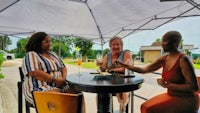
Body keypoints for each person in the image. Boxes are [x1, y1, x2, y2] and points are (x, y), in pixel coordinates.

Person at [116, 31, 199, 113]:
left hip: (187, 100)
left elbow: (194, 87)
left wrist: (169, 85)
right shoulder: (164, 58)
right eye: (162, 41)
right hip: (171, 95)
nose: (162, 43)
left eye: (165, 41)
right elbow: (143, 70)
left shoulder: (183, 59)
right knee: (144, 107)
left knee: (149, 109)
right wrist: (124, 65)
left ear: (176, 42)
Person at [21, 32, 85, 113]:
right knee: (60, 98)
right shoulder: (31, 54)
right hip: (39, 88)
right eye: (46, 42)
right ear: (37, 42)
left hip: (59, 85)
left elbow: (63, 67)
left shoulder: (52, 55)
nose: (50, 44)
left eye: (50, 41)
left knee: (78, 95)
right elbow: (34, 72)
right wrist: (55, 80)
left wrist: (63, 78)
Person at [97, 36, 133, 113]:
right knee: (100, 92)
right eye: (113, 45)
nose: (115, 46)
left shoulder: (126, 53)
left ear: (121, 46)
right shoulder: (108, 55)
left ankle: (122, 110)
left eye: (118, 44)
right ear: (110, 46)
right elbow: (103, 69)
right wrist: (100, 65)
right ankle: (104, 110)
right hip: (110, 83)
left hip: (124, 82)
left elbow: (126, 68)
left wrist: (112, 69)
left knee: (122, 94)